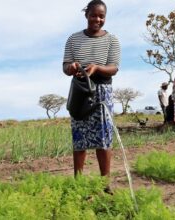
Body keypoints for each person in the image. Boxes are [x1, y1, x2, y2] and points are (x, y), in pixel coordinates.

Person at [62, 0, 120, 183]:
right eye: (94, 15)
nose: (98, 19)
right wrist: (71, 67)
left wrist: (96, 68)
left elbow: (114, 68)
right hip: (80, 91)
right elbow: (65, 66)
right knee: (80, 138)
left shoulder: (112, 40)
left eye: (102, 16)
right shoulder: (73, 39)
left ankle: (105, 184)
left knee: (103, 139)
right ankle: (78, 182)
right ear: (86, 15)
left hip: (102, 92)